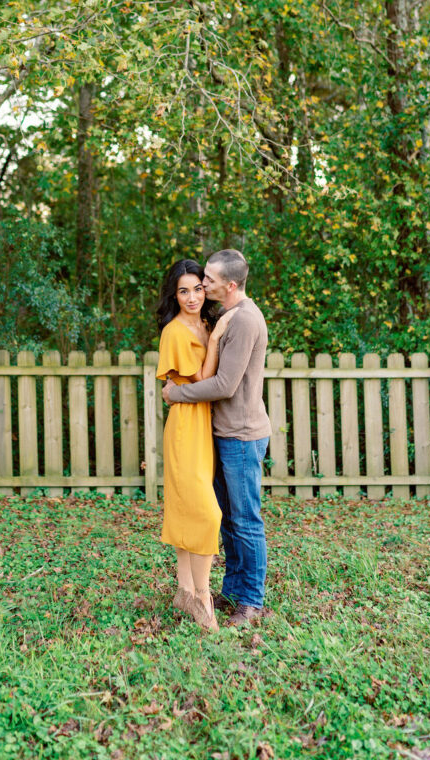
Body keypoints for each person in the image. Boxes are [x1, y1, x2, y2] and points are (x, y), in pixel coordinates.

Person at [162, 249, 271, 628]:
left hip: (241, 434)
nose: (201, 286)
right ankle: (234, 591)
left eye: (207, 280)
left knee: (245, 521)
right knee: (229, 521)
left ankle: (252, 602)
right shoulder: (224, 317)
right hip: (222, 432)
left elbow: (224, 385)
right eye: (194, 282)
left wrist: (176, 394)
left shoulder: (242, 321)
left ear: (229, 284)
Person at [155, 259, 235, 631]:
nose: (191, 297)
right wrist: (217, 339)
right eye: (183, 291)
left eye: (198, 289)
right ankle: (203, 597)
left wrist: (213, 332)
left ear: (207, 290)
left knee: (190, 506)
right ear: (175, 294)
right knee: (206, 512)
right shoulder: (175, 331)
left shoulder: (204, 322)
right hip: (187, 424)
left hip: (206, 423)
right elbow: (203, 377)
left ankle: (184, 590)